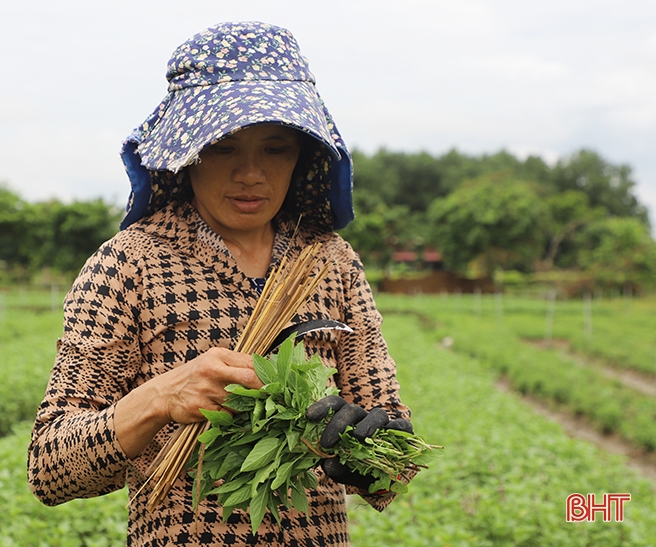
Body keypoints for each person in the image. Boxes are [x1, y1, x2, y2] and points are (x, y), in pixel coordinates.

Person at [27, 21, 416, 546]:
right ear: (188, 151)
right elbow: (50, 467)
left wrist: (366, 451)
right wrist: (160, 398)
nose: (251, 173)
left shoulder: (331, 262)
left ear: (302, 155)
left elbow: (396, 463)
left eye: (275, 148)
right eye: (224, 147)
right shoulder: (130, 264)